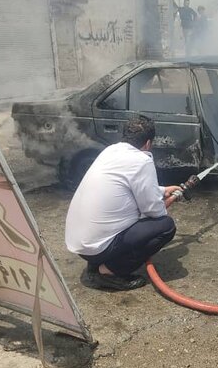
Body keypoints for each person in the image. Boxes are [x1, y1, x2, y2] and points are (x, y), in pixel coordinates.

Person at [65, 116, 182, 290]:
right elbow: (154, 211)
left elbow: (130, 184)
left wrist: (163, 190)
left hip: (80, 243)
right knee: (165, 226)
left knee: (136, 218)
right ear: (148, 143)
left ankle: (99, 262)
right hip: (96, 248)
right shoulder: (142, 160)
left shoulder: (111, 151)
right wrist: (173, 198)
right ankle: (109, 271)